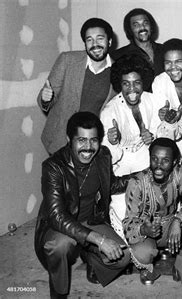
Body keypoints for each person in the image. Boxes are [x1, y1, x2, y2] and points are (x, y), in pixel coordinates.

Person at [34, 112, 132, 298]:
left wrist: (141, 176)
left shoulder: (102, 155)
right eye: (81, 140)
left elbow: (110, 184)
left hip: (91, 220)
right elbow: (57, 216)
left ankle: (90, 258)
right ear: (69, 139)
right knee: (60, 246)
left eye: (93, 140)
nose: (88, 147)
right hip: (61, 226)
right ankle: (59, 293)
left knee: (123, 257)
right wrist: (98, 239)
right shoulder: (53, 166)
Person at [100, 54, 165, 242]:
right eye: (126, 84)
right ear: (119, 84)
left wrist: (153, 136)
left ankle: (155, 236)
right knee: (123, 207)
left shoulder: (153, 100)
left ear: (143, 82)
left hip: (146, 155)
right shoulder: (110, 111)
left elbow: (164, 132)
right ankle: (128, 244)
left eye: (136, 83)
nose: (132, 89)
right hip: (121, 162)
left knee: (158, 194)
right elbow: (107, 156)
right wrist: (113, 142)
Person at [122, 138, 182, 289]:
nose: (158, 165)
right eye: (155, 159)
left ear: (175, 162)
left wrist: (178, 220)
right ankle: (149, 270)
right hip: (146, 229)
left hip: (171, 223)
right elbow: (128, 222)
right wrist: (144, 229)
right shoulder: (137, 183)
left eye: (165, 160)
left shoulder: (180, 174)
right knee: (143, 252)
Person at [38, 18, 115, 154]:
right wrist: (45, 99)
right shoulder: (67, 60)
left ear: (109, 41)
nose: (95, 44)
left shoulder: (117, 71)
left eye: (100, 38)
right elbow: (46, 97)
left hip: (92, 144)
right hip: (60, 140)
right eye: (89, 40)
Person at [111, 8, 164, 80]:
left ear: (151, 26)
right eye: (136, 25)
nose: (142, 27)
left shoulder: (165, 50)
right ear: (130, 30)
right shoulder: (118, 56)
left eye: (145, 23)